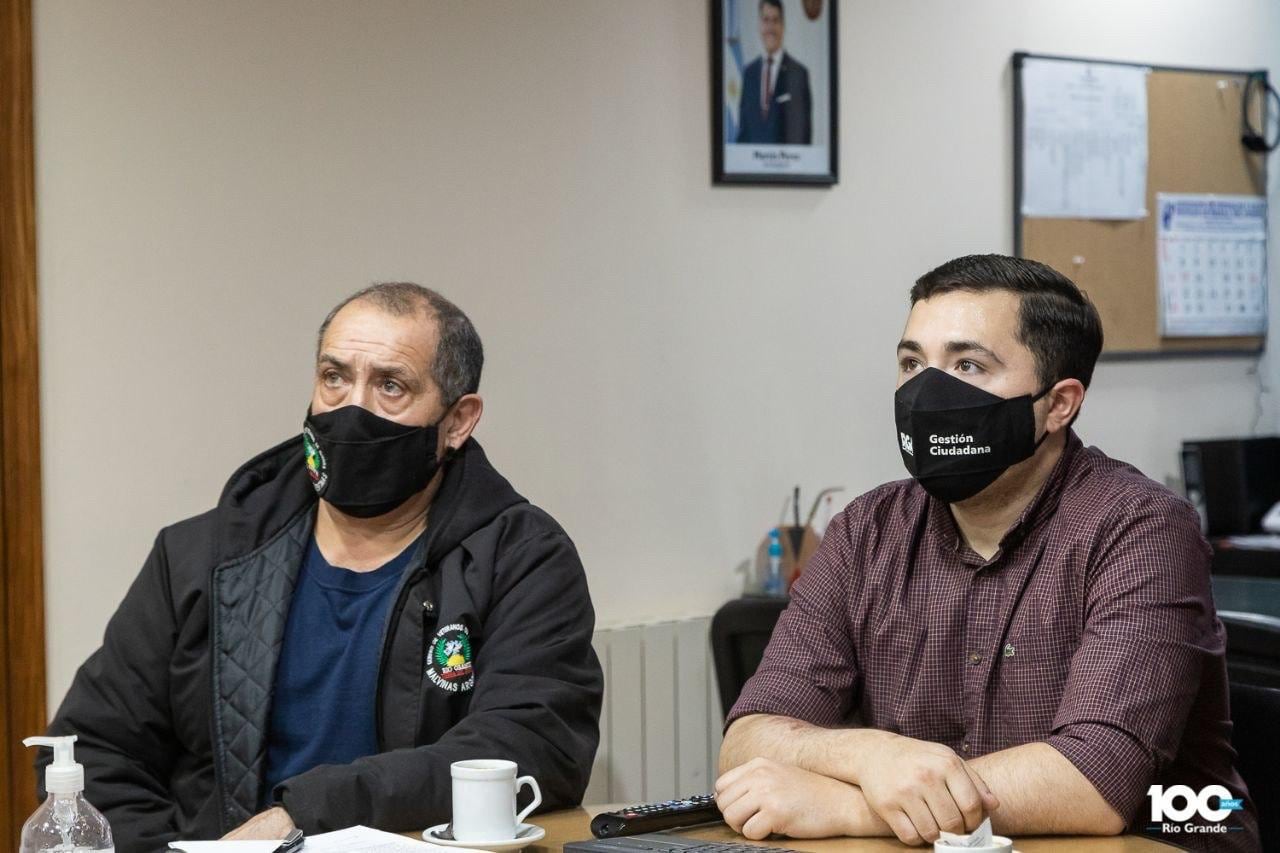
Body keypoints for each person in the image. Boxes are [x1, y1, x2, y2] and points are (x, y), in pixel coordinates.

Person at [715, 255, 1260, 852]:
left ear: (1058, 405)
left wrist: (848, 805)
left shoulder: (1142, 528)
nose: (926, 390)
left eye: (967, 364)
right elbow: (748, 741)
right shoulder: (865, 531)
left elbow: (1096, 783)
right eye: (912, 362)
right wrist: (871, 754)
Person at [39, 283, 603, 851]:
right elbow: (95, 750)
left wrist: (308, 813)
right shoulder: (202, 556)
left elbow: (533, 747)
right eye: (334, 377)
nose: (352, 409)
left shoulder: (521, 557)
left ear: (457, 421)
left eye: (390, 385)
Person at [735, 0, 811, 145]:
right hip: (751, 167)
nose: (770, 27)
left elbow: (803, 137)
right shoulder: (749, 74)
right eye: (766, 20)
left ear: (783, 26)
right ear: (759, 25)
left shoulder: (798, 74)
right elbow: (743, 133)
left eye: (775, 20)